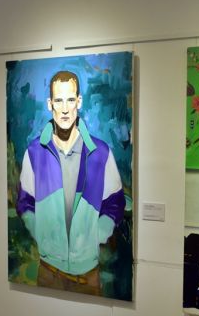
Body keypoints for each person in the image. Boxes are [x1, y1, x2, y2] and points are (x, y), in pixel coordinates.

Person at [16, 70, 125, 296]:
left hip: (88, 274)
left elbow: (115, 204)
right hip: (48, 271)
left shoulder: (101, 153)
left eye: (70, 100)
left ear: (79, 101)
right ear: (50, 104)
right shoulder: (34, 153)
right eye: (58, 100)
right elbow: (25, 203)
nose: (65, 109)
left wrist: (96, 237)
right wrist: (42, 236)